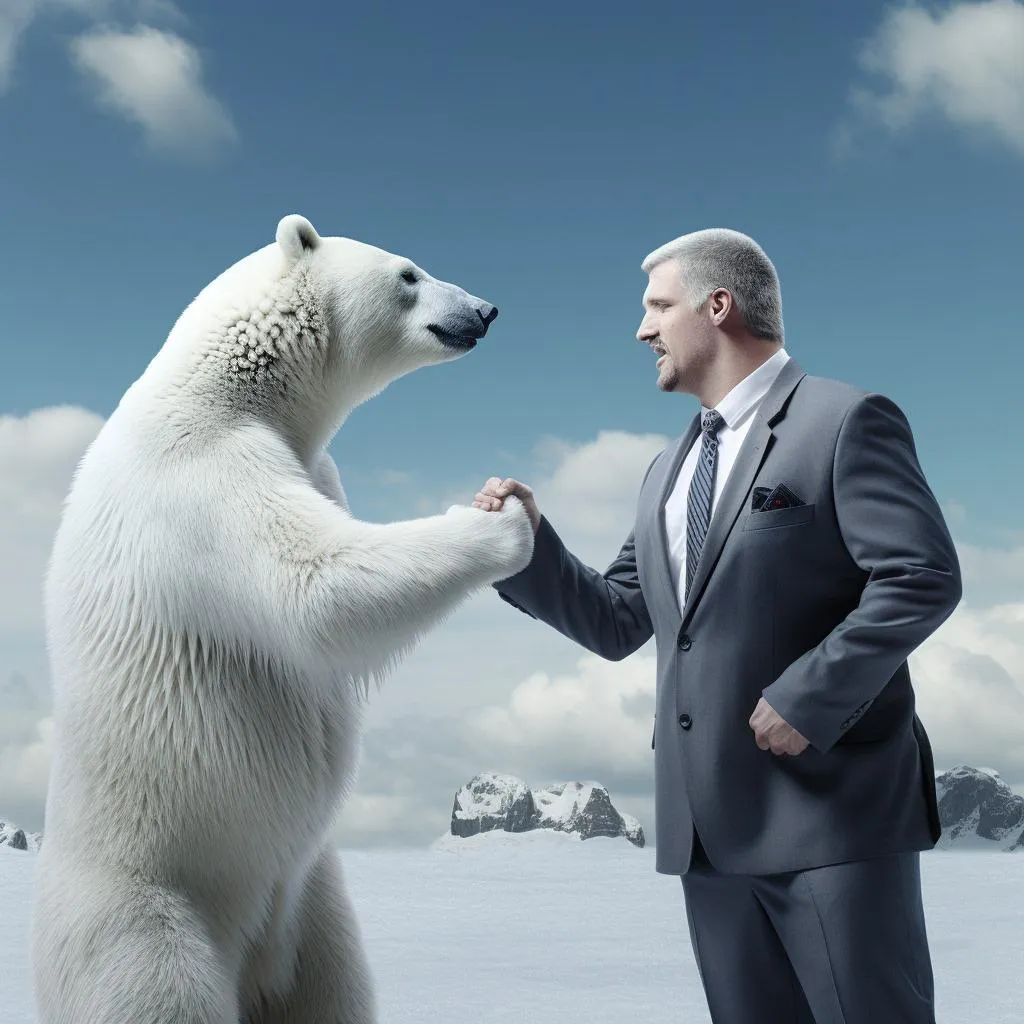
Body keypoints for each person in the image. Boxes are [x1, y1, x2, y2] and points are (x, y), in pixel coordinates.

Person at [471, 228, 961, 1024]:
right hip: (708, 833)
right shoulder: (667, 471)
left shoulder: (845, 421)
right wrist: (526, 546)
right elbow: (618, 619)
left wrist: (810, 695)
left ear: (718, 306)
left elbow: (922, 575)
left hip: (832, 820)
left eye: (658, 306)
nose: (642, 329)